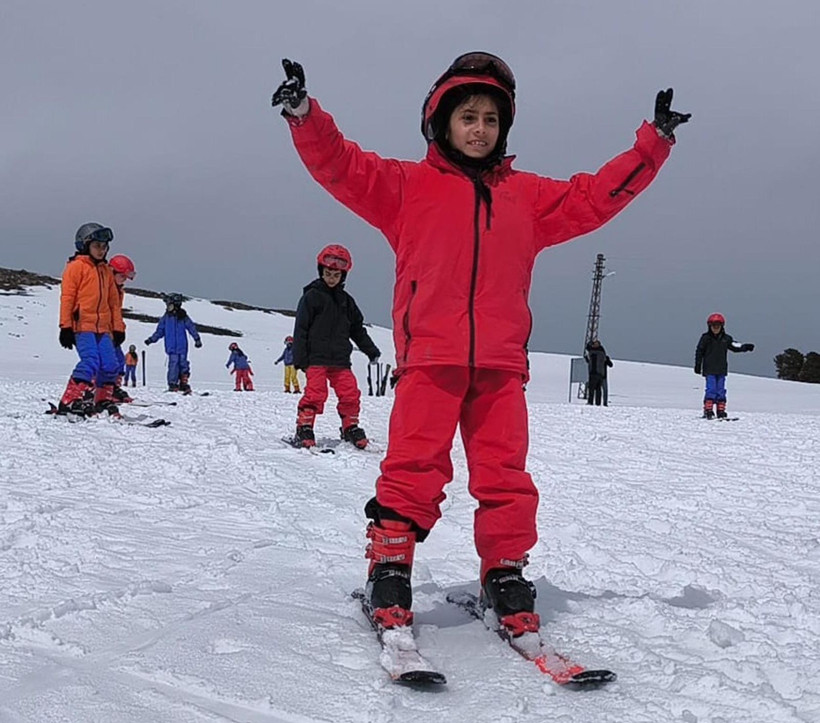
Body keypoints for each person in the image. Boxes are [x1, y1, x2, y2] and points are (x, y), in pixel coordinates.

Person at [272, 53, 689, 634]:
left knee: (504, 475)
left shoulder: (527, 196)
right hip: (431, 360)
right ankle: (390, 561)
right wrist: (303, 114)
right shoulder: (405, 188)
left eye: (492, 120)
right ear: (441, 122)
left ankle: (506, 568)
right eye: (468, 116)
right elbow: (342, 167)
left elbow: (594, 197)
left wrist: (653, 146)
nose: (479, 129)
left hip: (498, 365)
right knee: (414, 465)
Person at [290, 245, 381, 448]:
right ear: (321, 272)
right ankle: (304, 428)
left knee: (350, 393)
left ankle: (350, 427)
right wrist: (300, 357)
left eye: (336, 274)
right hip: (316, 359)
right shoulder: (311, 297)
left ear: (343, 275)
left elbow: (357, 330)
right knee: (316, 393)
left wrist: (371, 350)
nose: (331, 277)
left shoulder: (347, 302)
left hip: (340, 360)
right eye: (328, 273)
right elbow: (301, 328)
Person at [56, 222, 125, 416]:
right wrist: (66, 326)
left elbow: (114, 303)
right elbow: (67, 298)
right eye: (97, 246)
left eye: (104, 247)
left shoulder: (106, 271)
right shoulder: (76, 267)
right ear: (85, 245)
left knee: (111, 365)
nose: (101, 250)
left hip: (103, 328)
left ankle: (102, 400)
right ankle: (70, 400)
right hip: (82, 326)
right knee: (90, 361)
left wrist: (118, 328)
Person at [694, 313, 754, 419]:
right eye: (713, 326)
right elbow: (699, 351)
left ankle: (721, 410)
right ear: (709, 326)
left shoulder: (726, 339)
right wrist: (698, 364)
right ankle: (708, 409)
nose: (715, 328)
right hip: (709, 369)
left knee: (721, 390)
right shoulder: (706, 338)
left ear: (722, 326)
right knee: (711, 389)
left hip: (721, 369)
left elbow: (735, 346)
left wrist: (745, 347)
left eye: (718, 326)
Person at [144, 293, 202, 393]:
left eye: (169, 305)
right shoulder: (166, 318)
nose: (167, 307)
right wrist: (151, 339)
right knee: (173, 364)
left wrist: (197, 339)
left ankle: (183, 382)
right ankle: (172, 383)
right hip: (171, 347)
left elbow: (191, 327)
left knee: (183, 364)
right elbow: (160, 331)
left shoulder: (183, 317)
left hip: (182, 346)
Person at [108, 254, 137, 402]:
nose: (124, 280)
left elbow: (117, 314)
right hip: (103, 332)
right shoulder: (105, 288)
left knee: (119, 360)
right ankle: (96, 389)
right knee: (104, 362)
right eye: (122, 276)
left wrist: (120, 329)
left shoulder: (119, 290)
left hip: (113, 333)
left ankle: (113, 388)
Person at [585, 339, 613, 406]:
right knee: (599, 390)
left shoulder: (594, 352)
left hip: (595, 373)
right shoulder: (602, 352)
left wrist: (590, 343)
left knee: (592, 389)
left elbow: (588, 350)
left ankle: (591, 402)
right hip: (601, 374)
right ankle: (599, 403)